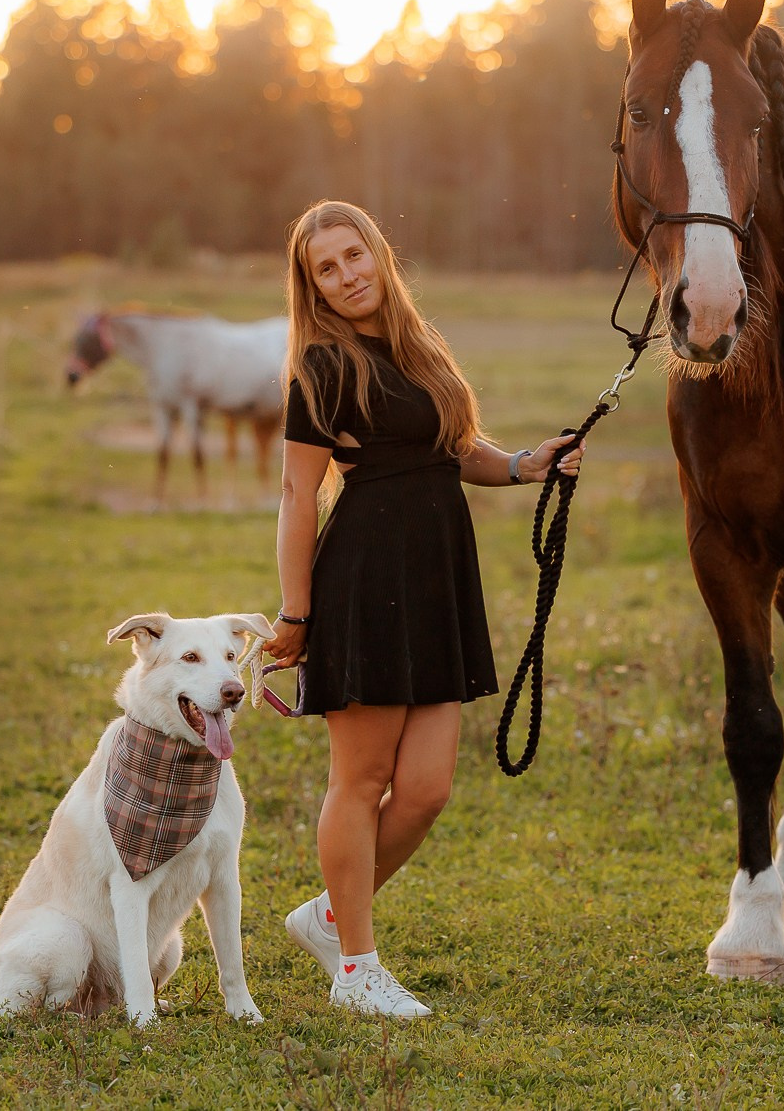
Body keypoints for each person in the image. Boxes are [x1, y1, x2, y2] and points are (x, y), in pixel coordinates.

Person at [264, 200, 583, 1018]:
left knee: (427, 789)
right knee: (361, 778)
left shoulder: (418, 345)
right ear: (313, 289)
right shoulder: (322, 369)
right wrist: (296, 613)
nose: (346, 275)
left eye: (354, 255)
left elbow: (454, 446)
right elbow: (298, 492)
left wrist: (523, 464)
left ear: (378, 253)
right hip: (366, 577)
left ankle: (329, 916)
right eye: (326, 269)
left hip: (438, 577)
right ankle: (357, 967)